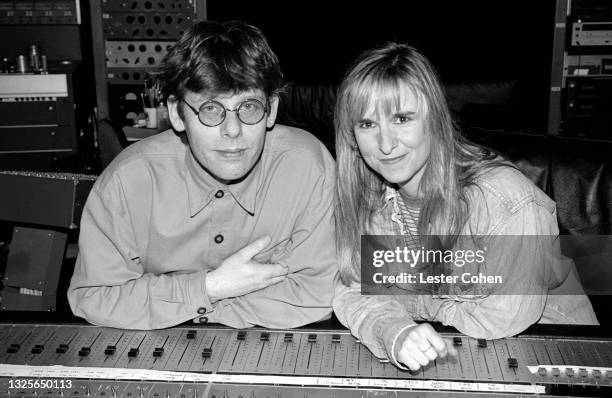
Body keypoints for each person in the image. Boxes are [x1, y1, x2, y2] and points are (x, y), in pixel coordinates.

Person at [332, 43, 598, 371]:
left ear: (435, 118)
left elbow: (503, 319)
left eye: (401, 118)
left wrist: (409, 304)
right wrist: (395, 332)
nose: (386, 145)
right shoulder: (370, 196)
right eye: (368, 124)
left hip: (556, 357)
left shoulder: (505, 201)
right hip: (455, 353)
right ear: (352, 136)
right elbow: (352, 291)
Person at [68, 20, 337, 330]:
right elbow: (94, 297)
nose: (233, 131)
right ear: (177, 114)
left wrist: (179, 304)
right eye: (210, 109)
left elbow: (316, 295)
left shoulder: (308, 167)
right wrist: (210, 287)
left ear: (272, 109)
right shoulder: (128, 181)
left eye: (249, 107)